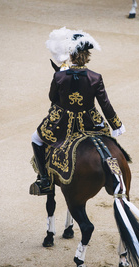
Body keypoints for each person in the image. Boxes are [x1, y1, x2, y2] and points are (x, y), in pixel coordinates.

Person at [30, 28, 125, 196]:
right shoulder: (96, 77)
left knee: (35, 139)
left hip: (63, 124)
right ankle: (116, 175)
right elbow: (105, 104)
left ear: (71, 55)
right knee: (109, 144)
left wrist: (59, 77)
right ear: (87, 55)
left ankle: (44, 180)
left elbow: (52, 98)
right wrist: (117, 124)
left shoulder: (60, 76)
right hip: (90, 123)